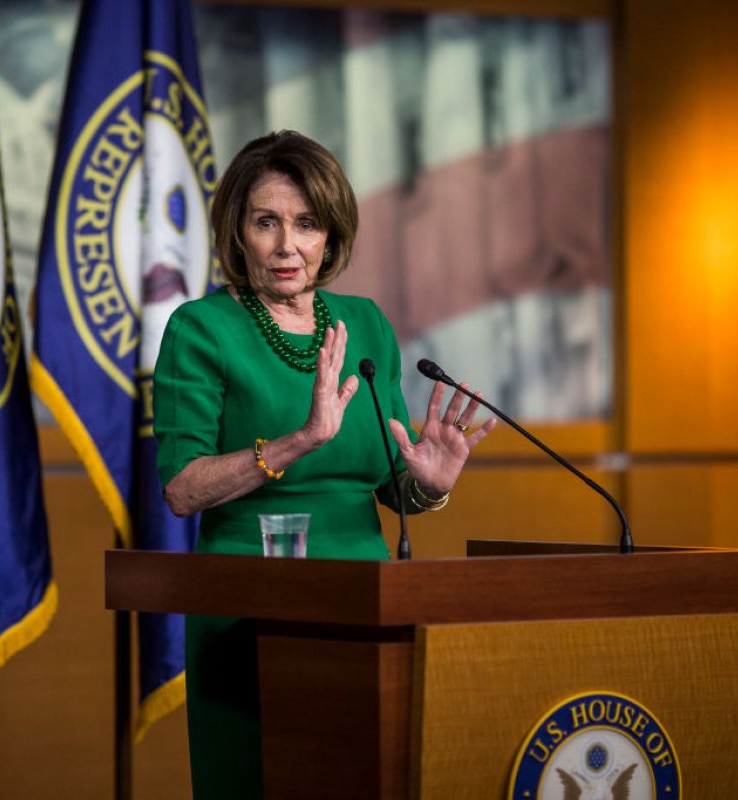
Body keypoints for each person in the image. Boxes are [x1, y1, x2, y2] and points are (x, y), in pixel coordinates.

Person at [153, 130, 497, 798]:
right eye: (267, 223)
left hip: (365, 605)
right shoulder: (200, 329)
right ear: (237, 230)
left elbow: (391, 486)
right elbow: (182, 489)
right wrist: (298, 441)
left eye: (307, 224)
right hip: (251, 609)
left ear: (331, 233)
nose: (288, 246)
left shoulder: (364, 326)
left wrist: (426, 484)